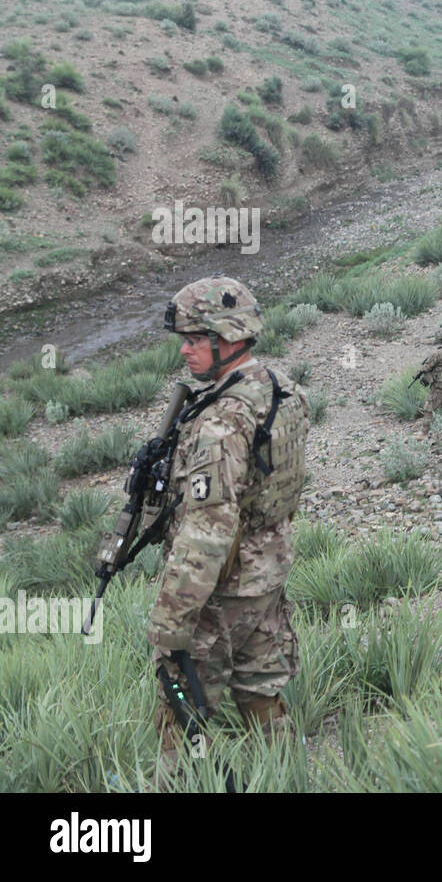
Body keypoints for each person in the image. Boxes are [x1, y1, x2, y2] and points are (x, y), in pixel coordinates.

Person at [148, 275, 310, 776]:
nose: (185, 351)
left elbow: (208, 530)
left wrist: (172, 618)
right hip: (267, 574)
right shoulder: (280, 391)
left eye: (196, 340)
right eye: (185, 340)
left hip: (221, 591)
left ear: (230, 338)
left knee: (180, 715)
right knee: (264, 693)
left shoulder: (223, 420)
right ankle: (285, 781)